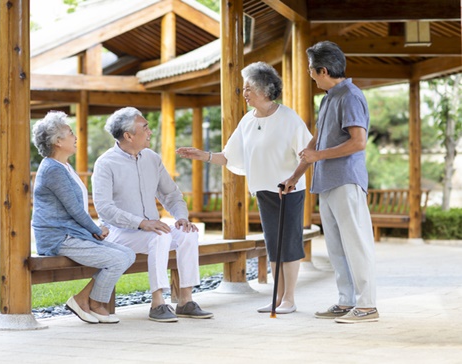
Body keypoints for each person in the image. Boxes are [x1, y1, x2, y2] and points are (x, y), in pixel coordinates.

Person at [177, 62, 312, 315]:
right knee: (273, 245)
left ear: (265, 90)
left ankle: (289, 300)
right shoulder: (247, 121)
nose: (245, 92)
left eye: (249, 88)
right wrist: (203, 155)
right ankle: (277, 298)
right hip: (263, 191)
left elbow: (307, 154)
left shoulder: (288, 118)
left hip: (288, 190)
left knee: (289, 244)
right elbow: (229, 157)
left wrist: (294, 178)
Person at [280, 41, 378, 323]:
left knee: (356, 244)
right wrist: (295, 175)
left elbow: (358, 142)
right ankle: (346, 301)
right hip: (327, 182)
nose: (309, 75)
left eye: (311, 70)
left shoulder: (350, 96)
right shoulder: (329, 98)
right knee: (336, 247)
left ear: (323, 70)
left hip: (346, 181)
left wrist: (317, 154)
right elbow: (317, 140)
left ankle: (367, 305)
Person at [92, 107, 213, 323]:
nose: (150, 132)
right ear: (128, 135)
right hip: (119, 233)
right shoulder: (105, 163)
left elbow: (171, 194)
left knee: (188, 234)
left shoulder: (152, 158)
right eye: (145, 127)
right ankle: (158, 302)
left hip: (150, 230)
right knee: (160, 235)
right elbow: (104, 208)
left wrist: (181, 218)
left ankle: (185, 300)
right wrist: (141, 223)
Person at [31, 111, 136, 325]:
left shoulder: (64, 167)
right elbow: (75, 211)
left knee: (127, 254)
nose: (75, 136)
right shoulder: (53, 170)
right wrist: (96, 230)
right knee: (118, 259)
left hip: (72, 234)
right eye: (70, 133)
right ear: (58, 141)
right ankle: (95, 303)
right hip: (59, 238)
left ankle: (83, 299)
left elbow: (76, 209)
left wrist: (93, 230)